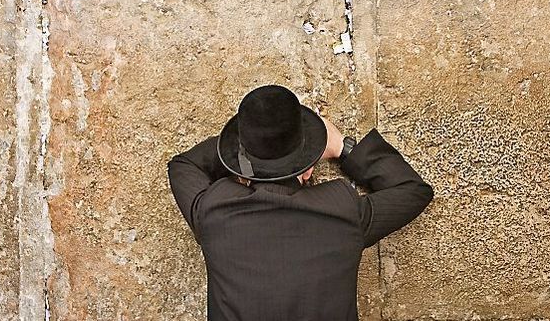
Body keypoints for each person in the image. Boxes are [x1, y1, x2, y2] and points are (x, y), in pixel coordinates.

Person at [167, 84, 434, 321]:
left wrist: (245, 143)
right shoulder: (342, 211)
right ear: (308, 168)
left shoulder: (214, 212)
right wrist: (342, 146)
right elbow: (412, 190)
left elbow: (184, 165)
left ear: (239, 168)